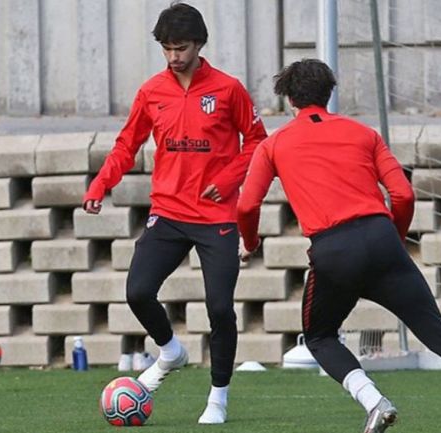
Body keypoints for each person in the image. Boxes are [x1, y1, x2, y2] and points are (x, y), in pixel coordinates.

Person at [236, 58, 441, 433]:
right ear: (329, 95)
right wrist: (392, 241)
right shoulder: (363, 133)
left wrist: (249, 242)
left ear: (288, 100)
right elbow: (403, 194)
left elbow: (247, 205)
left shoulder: (275, 144)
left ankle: (375, 402)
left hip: (334, 250)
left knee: (318, 336)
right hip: (382, 240)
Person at [82, 2, 267, 424]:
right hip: (168, 212)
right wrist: (100, 184)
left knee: (220, 309)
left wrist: (229, 180)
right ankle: (170, 351)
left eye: (180, 47)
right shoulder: (151, 91)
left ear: (199, 44)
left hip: (218, 216)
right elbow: (127, 144)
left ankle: (218, 397)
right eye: (166, 49)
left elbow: (257, 141)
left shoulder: (228, 89)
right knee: (137, 292)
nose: (174, 56)